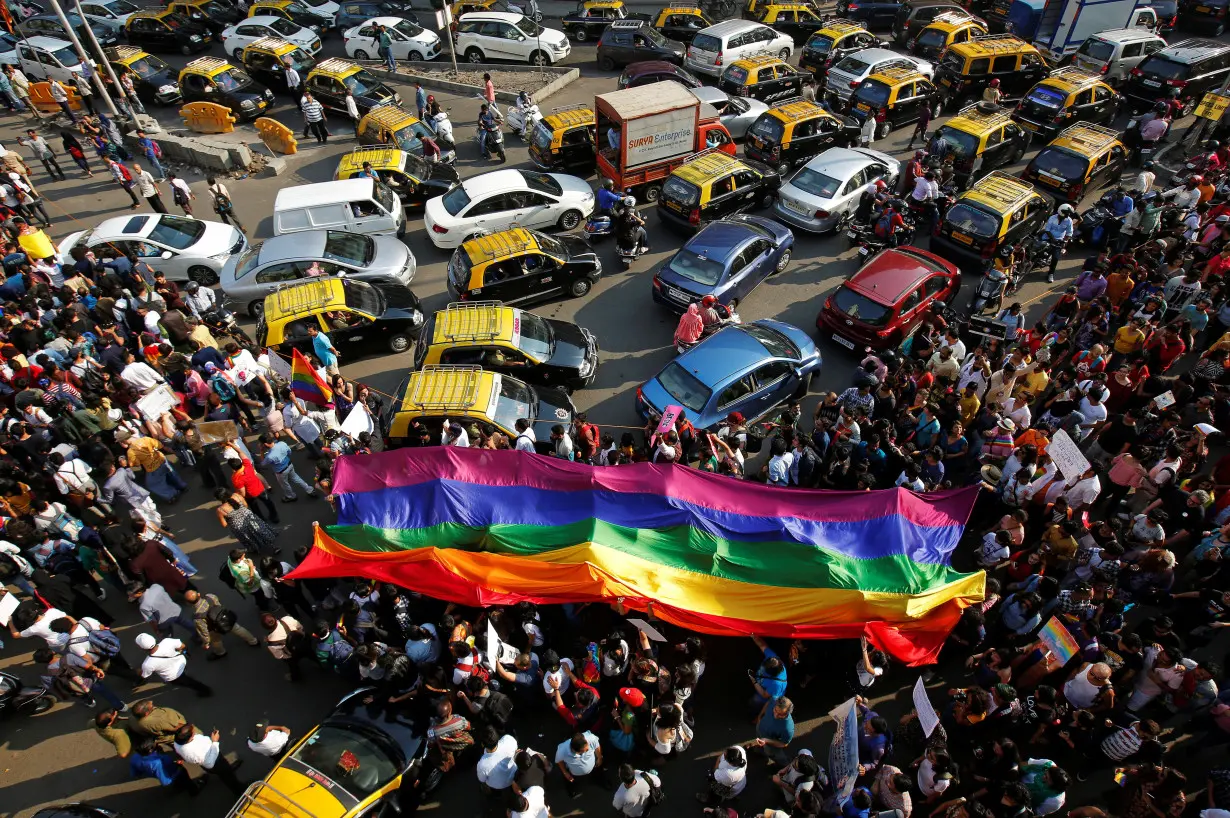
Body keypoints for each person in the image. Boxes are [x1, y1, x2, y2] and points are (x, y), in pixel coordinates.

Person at [173, 723, 247, 795]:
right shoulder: (194, 752)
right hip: (215, 762)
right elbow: (210, 764)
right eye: (193, 732)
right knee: (227, 776)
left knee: (225, 769)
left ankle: (228, 770)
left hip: (212, 758)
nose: (194, 731)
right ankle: (238, 790)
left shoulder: (179, 741)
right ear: (190, 737)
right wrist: (215, 741)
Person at [134, 632, 213, 696]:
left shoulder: (147, 664)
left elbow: (145, 675)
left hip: (174, 676)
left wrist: (138, 671)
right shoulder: (167, 641)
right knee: (187, 678)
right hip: (182, 662)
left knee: (190, 683)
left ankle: (206, 690)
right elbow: (182, 646)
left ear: (142, 648)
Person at [1041, 204, 1076, 282]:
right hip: (1048, 237)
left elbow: (1069, 233)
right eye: (1067, 213)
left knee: (1055, 258)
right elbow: (1047, 230)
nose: (1068, 215)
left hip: (1059, 241)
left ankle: (1051, 273)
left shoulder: (1069, 221)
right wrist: (1053, 239)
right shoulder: (1052, 218)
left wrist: (1065, 242)